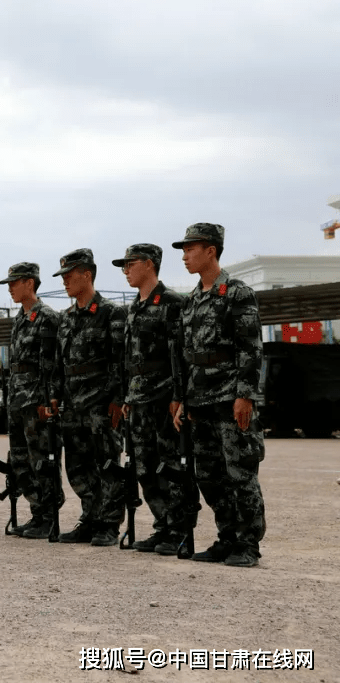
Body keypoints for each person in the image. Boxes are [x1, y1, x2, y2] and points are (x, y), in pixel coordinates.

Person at [172, 223, 266, 568]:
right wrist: (182, 397)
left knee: (240, 473)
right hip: (200, 401)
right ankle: (227, 538)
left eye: (190, 249)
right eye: (183, 250)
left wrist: (246, 395)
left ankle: (248, 544)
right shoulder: (192, 301)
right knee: (209, 476)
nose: (184, 256)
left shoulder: (237, 293)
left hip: (230, 400)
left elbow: (251, 349)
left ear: (211, 250)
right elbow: (185, 355)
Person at [113, 244, 197, 555]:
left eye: (130, 264)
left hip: (164, 398)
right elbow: (128, 358)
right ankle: (163, 525)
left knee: (170, 465)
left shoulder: (172, 302)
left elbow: (180, 353)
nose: (126, 271)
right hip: (139, 400)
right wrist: (127, 395)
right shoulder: (133, 307)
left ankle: (178, 527)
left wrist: (178, 395)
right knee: (144, 467)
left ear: (149, 265)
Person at [48, 249, 126, 546]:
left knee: (107, 464)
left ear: (88, 274)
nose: (65, 281)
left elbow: (120, 360)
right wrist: (55, 395)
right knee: (78, 468)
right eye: (63, 276)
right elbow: (60, 363)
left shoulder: (111, 313)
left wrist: (118, 399)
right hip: (73, 406)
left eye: (69, 276)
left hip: (101, 405)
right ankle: (90, 518)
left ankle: (108, 524)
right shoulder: (66, 318)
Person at [0, 262, 61, 538]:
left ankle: (48, 515)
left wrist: (49, 401)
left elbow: (50, 365)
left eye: (15, 282)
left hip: (36, 402)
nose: (10, 287)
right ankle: (37, 512)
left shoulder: (46, 317)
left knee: (42, 460)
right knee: (20, 461)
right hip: (17, 402)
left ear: (30, 283)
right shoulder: (20, 319)